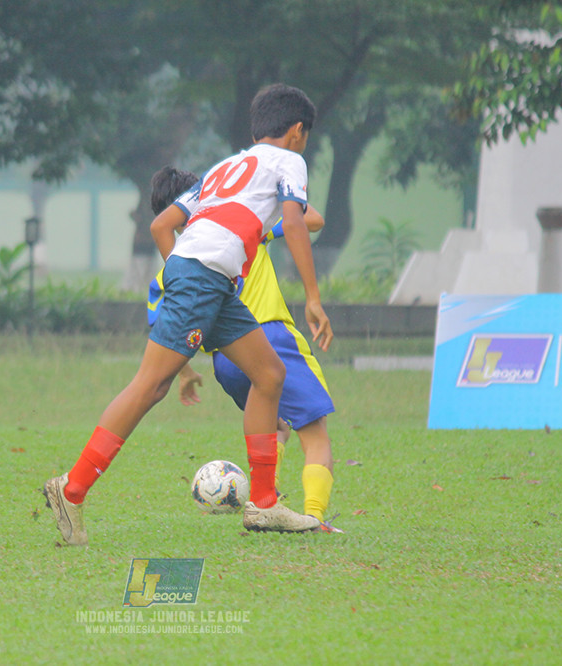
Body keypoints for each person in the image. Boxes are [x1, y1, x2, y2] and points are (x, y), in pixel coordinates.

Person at [43, 83, 331, 546]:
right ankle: (71, 490)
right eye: (306, 136)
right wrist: (313, 298)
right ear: (297, 131)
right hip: (203, 277)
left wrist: (183, 269)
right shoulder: (289, 161)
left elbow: (164, 224)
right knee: (150, 386)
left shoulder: (225, 167)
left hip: (207, 279)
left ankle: (262, 504)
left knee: (270, 375)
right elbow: (297, 221)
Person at [149, 166, 341, 534]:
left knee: (276, 427)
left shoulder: (175, 267)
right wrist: (276, 196)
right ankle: (316, 519)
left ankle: (268, 499)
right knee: (315, 433)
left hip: (227, 360)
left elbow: (162, 321)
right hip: (271, 339)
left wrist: (186, 372)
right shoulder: (246, 224)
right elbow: (313, 220)